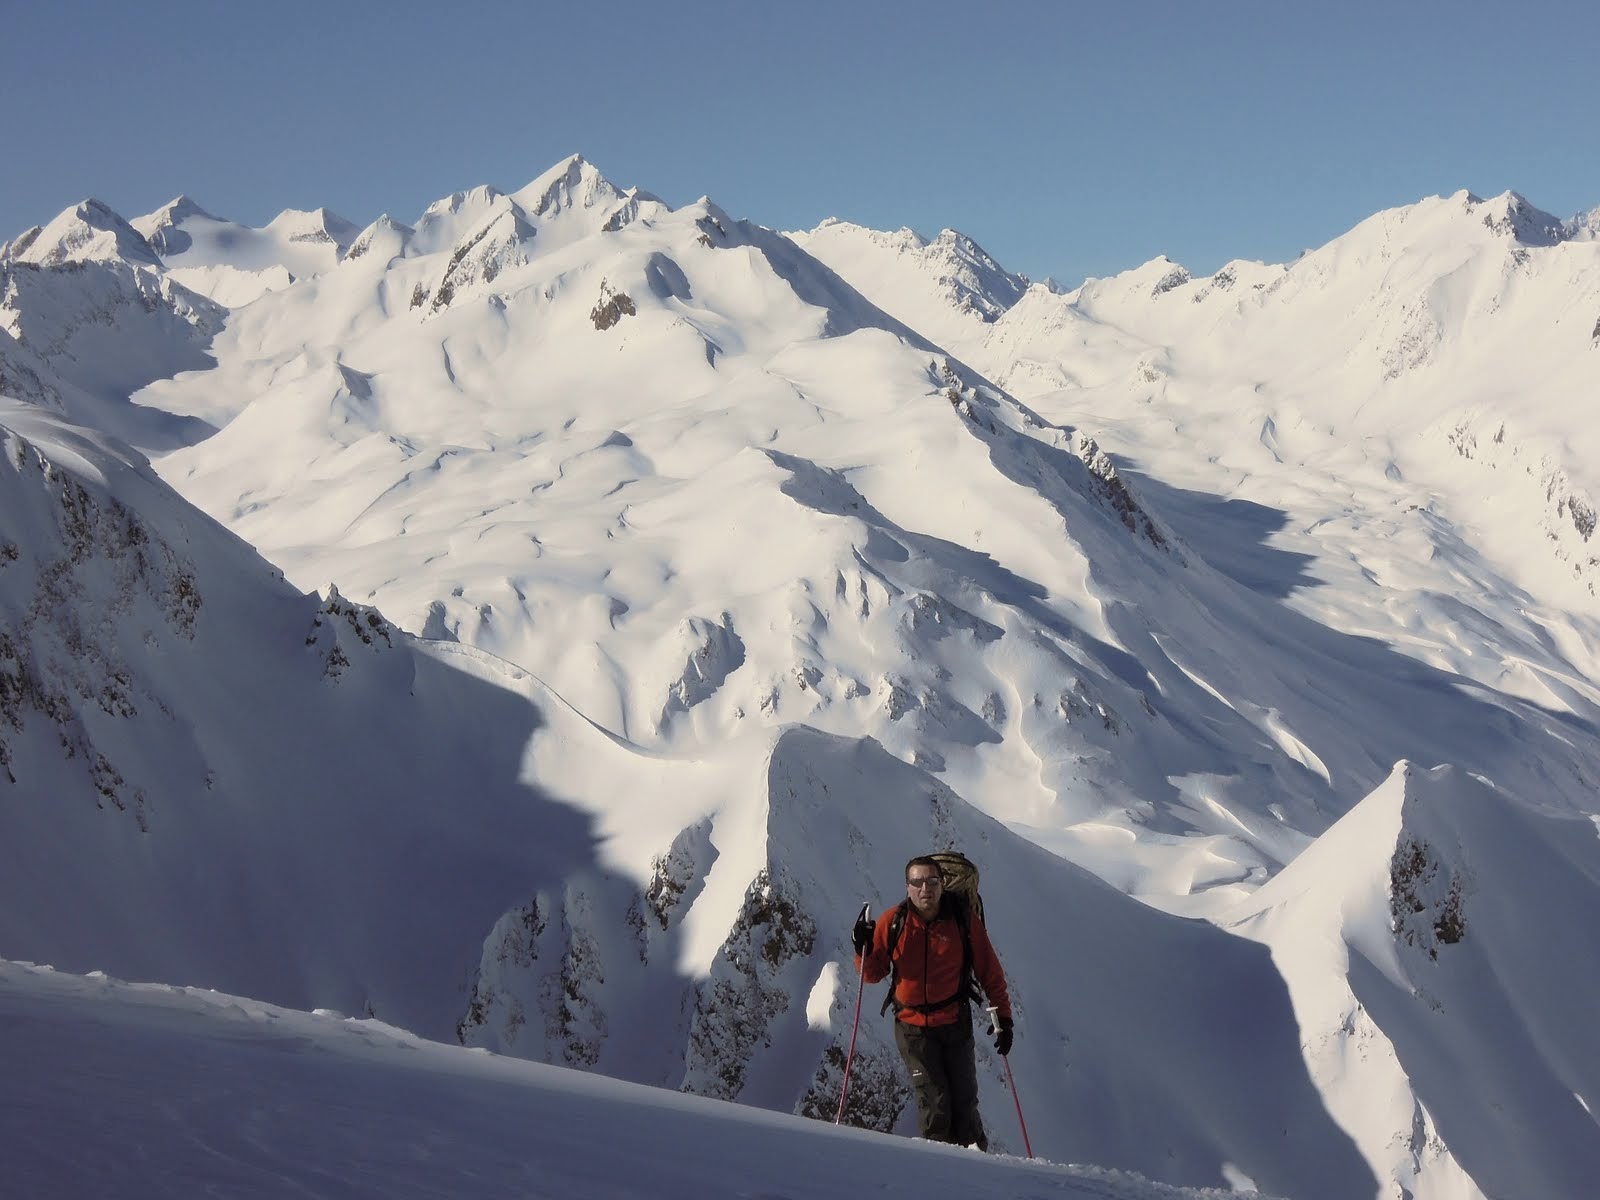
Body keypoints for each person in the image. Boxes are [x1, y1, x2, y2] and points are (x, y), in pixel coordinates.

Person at [853, 856, 1014, 1150]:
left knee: (965, 1102)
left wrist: (1003, 1017)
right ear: (907, 887)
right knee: (935, 1102)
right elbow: (872, 974)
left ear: (942, 886)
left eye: (931, 881)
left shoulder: (964, 922)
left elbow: (990, 971)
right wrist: (862, 947)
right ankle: (938, 1175)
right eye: (917, 882)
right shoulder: (894, 922)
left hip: (954, 1022)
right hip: (913, 1028)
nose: (924, 888)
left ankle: (975, 1167)